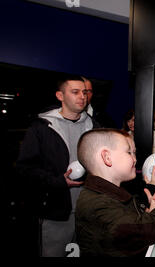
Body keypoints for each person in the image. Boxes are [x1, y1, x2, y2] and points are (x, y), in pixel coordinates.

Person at [16, 74, 98, 257]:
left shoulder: (94, 126)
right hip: (56, 213)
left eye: (84, 92)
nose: (82, 97)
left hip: (88, 212)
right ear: (60, 96)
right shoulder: (42, 128)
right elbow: (24, 169)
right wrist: (58, 181)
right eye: (75, 92)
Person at [75, 128, 155, 256]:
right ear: (107, 157)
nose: (135, 159)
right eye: (129, 152)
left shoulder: (109, 194)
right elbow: (144, 231)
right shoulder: (98, 205)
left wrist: (148, 214)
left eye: (134, 153)